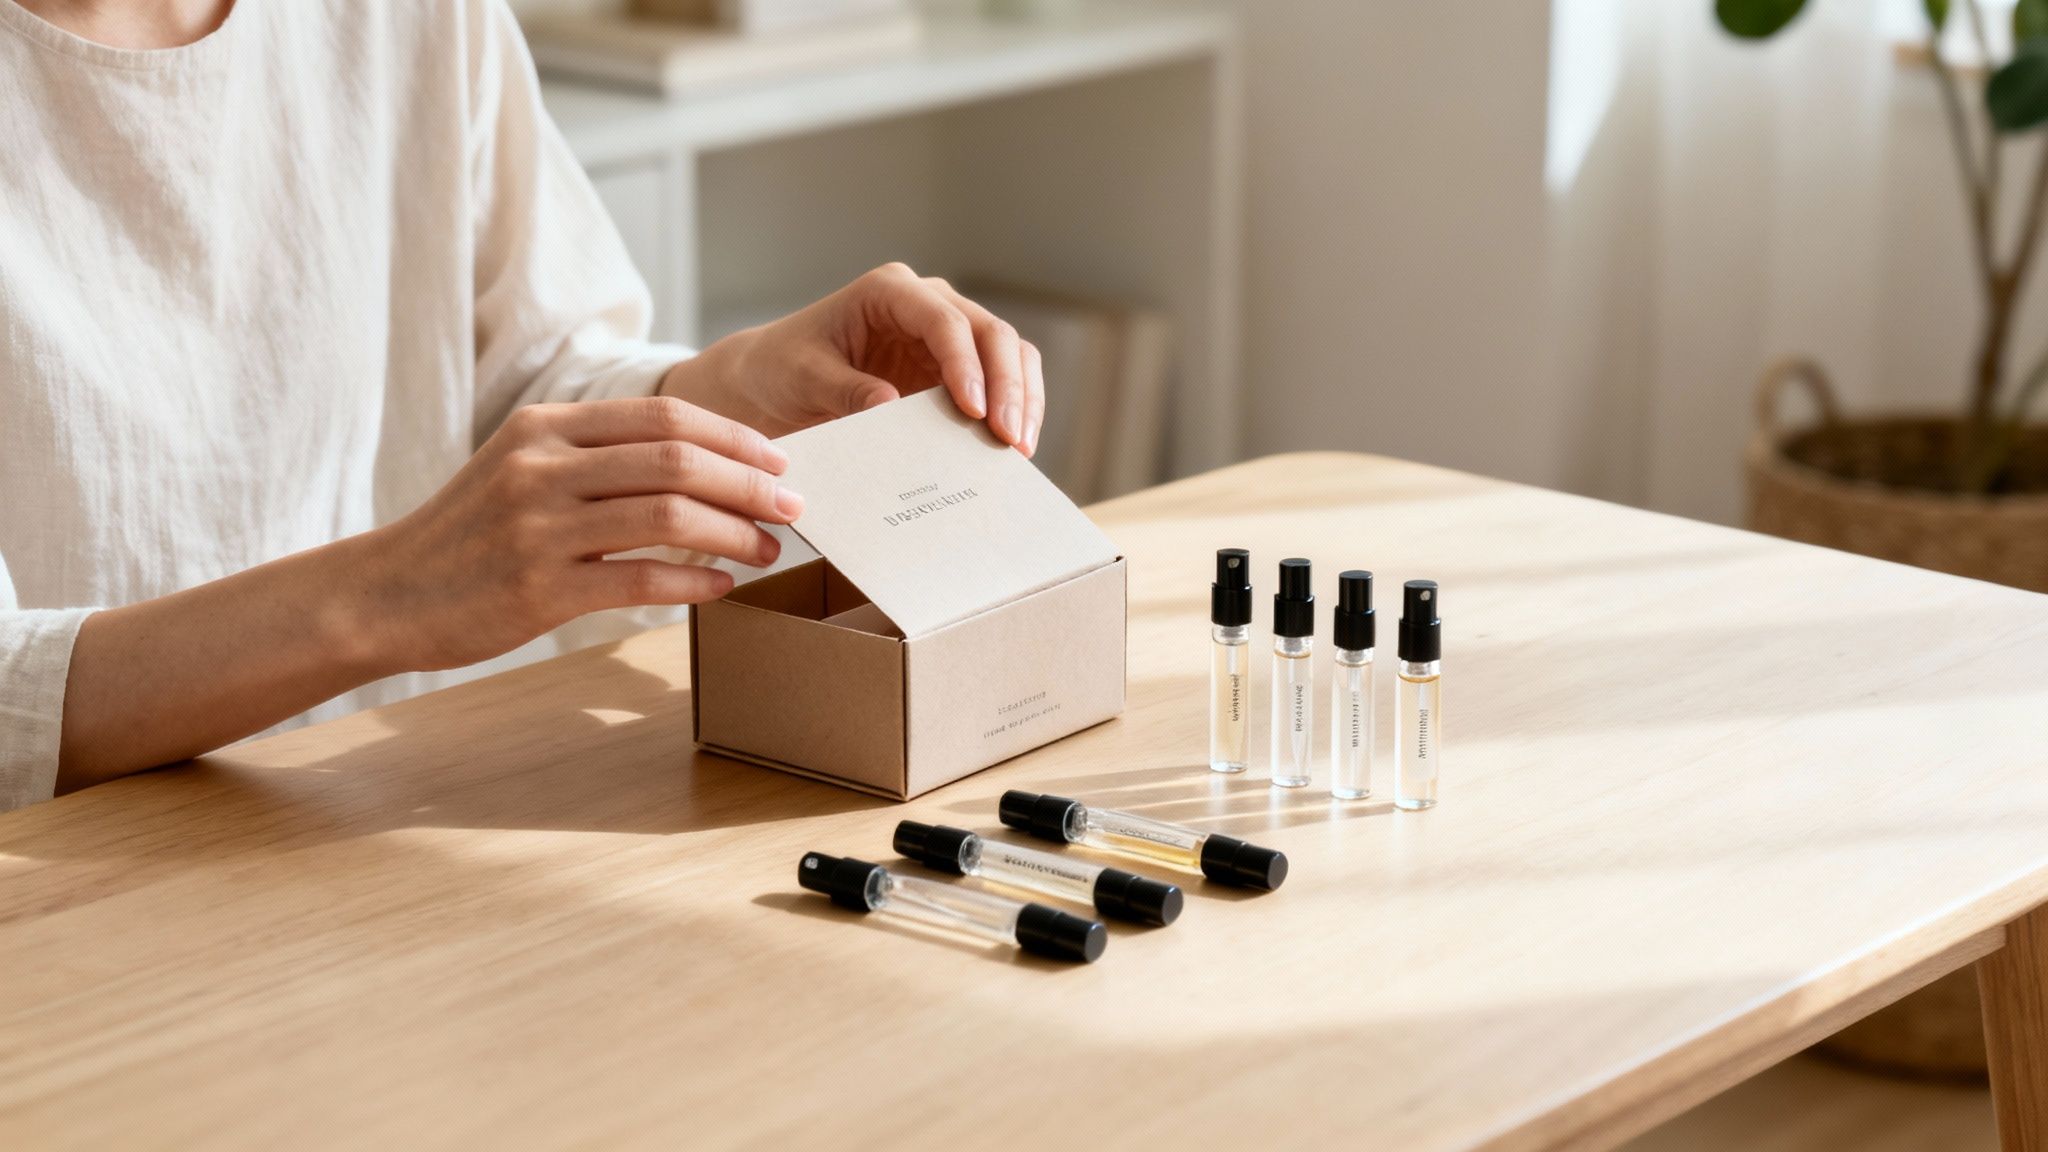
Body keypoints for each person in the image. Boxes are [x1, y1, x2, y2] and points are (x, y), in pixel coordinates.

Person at [0, 0, 1046, 811]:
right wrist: (391, 594)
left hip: (380, 812)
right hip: (68, 908)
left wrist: (735, 391)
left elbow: (527, 378)